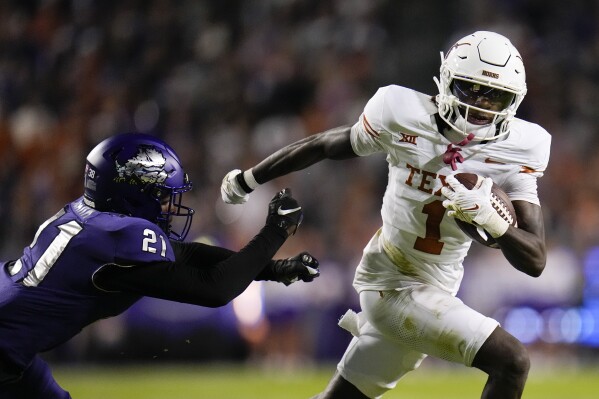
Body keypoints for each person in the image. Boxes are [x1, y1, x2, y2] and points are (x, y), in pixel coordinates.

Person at [220, 31, 551, 399]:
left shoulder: (523, 146)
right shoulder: (400, 112)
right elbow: (326, 145)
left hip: (437, 289)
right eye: (470, 90)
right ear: (446, 82)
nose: (481, 106)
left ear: (514, 101)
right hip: (391, 283)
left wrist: (496, 225)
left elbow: (535, 259)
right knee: (512, 361)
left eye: (494, 96)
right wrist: (250, 178)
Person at [0, 133, 320, 399]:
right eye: (161, 196)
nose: (169, 206)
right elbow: (215, 289)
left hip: (13, 346)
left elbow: (190, 256)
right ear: (131, 194)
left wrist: (274, 269)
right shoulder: (115, 237)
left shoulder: (86, 219)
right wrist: (276, 231)